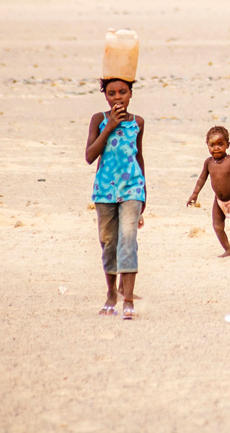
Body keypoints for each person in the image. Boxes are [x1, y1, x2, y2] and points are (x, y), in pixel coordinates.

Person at [85, 78, 146, 320]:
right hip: (105, 192)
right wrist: (109, 126)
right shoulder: (98, 120)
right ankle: (111, 295)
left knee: (128, 240)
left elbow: (139, 157)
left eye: (122, 92)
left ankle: (128, 300)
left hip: (133, 189)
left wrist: (145, 193)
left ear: (131, 94)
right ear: (106, 97)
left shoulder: (137, 123)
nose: (117, 97)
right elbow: (90, 156)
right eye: (112, 93)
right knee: (108, 243)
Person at [186, 126, 230, 258]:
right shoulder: (208, 163)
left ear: (228, 145)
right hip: (219, 200)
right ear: (207, 146)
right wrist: (195, 194)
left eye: (220, 144)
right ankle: (227, 250)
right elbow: (202, 178)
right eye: (212, 145)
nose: (216, 148)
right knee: (217, 226)